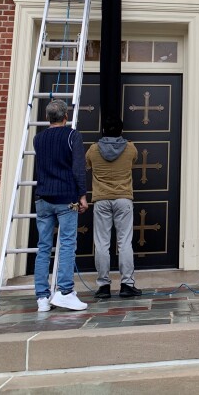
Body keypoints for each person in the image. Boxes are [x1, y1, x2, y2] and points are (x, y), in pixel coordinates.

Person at [33, 98, 89, 312]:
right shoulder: (72, 135)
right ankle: (64, 292)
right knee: (66, 244)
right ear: (66, 117)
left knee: (43, 247)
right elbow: (78, 168)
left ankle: (42, 298)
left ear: (48, 117)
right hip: (66, 198)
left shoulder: (38, 139)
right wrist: (82, 195)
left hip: (43, 198)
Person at [86, 116, 142, 298]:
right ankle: (127, 284)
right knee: (124, 242)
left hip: (101, 199)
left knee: (102, 243)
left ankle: (103, 286)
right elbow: (133, 161)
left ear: (103, 131)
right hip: (123, 198)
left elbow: (88, 165)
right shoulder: (130, 148)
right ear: (121, 131)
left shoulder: (93, 150)